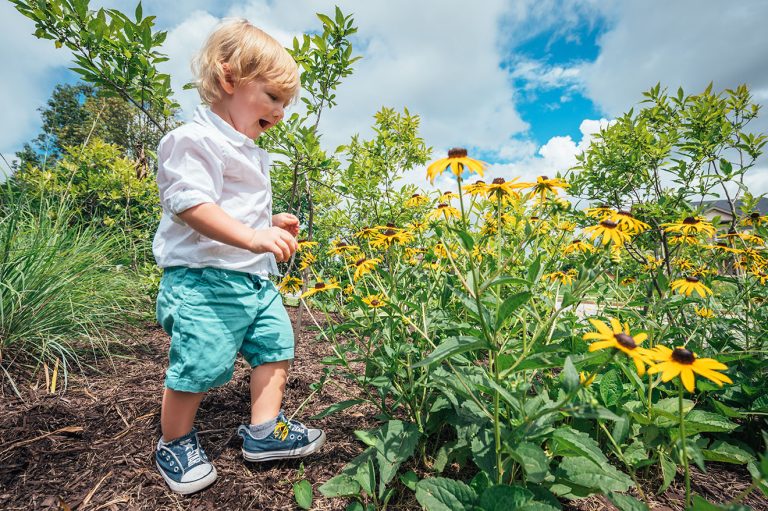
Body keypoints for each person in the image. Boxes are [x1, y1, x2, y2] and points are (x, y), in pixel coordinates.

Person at [152, 18, 325, 495]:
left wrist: (273, 225)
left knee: (276, 344)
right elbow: (191, 205)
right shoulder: (193, 140)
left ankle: (265, 429)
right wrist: (252, 237)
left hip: (253, 281)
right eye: (272, 97)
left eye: (286, 103)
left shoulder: (245, 150)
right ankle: (174, 440)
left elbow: (240, 211)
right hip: (205, 281)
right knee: (200, 362)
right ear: (229, 80)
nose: (281, 112)